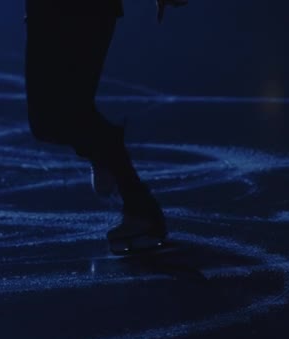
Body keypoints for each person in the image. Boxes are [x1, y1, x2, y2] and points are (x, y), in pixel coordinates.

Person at [24, 0, 187, 255]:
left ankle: (139, 207)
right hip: (52, 11)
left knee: (61, 114)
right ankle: (106, 153)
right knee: (49, 120)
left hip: (80, 11)